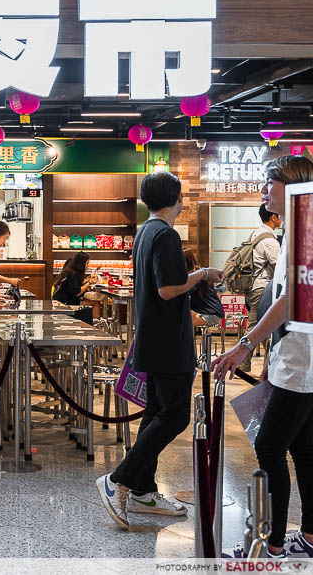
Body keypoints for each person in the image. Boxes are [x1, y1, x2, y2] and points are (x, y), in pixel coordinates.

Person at [96, 171, 222, 530]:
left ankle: (144, 490)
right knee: (176, 414)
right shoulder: (165, 234)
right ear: (177, 198)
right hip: (168, 341)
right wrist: (203, 275)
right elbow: (168, 289)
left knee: (154, 413)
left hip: (151, 337)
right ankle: (118, 479)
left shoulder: (144, 232)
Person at [213, 154, 313, 559]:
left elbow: (290, 301)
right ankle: (308, 537)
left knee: (270, 447)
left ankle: (269, 546)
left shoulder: (303, 231)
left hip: (301, 362)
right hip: (298, 357)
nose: (263, 190)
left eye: (269, 182)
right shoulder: (297, 228)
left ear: (289, 185)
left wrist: (245, 344)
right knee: (304, 448)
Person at [240, 205, 282, 371]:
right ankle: (242, 363)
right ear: (273, 217)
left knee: (263, 326)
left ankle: (268, 363)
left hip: (251, 287)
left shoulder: (256, 234)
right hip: (261, 289)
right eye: (279, 216)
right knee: (255, 326)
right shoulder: (271, 241)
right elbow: (278, 271)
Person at [184, 248, 224, 328]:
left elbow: (184, 293)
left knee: (180, 320)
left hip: (210, 314)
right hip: (215, 312)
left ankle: (188, 340)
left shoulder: (194, 276)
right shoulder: (200, 272)